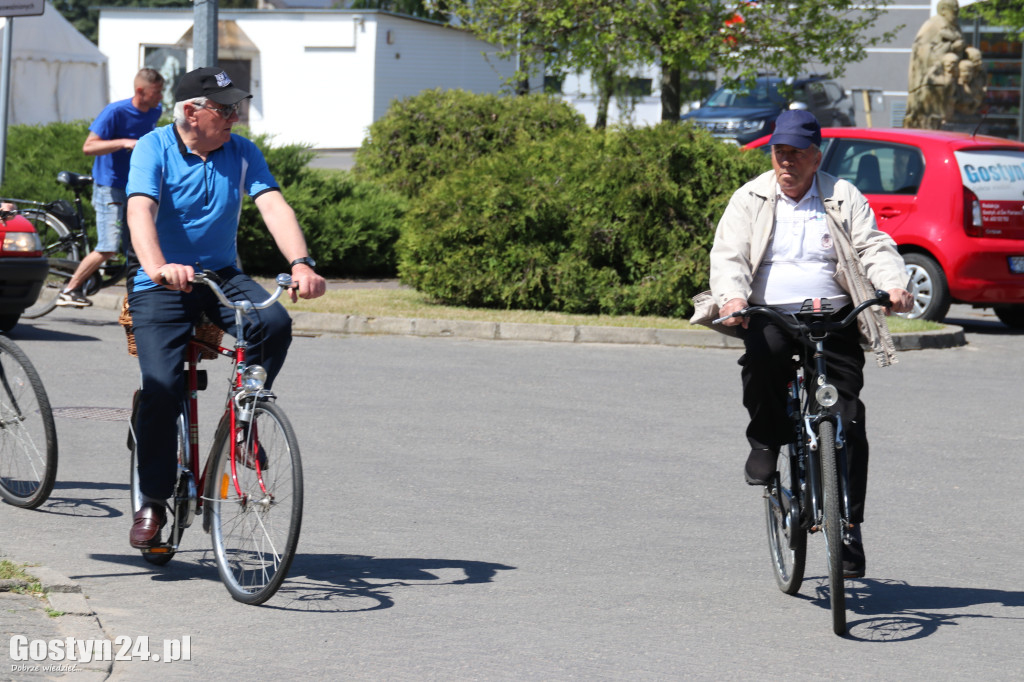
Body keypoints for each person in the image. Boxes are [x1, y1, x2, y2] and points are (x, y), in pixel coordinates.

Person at [125, 67, 326, 549]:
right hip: (160, 281)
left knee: (274, 323)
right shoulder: (154, 147)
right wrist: (156, 266)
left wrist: (301, 263)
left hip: (219, 274)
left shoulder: (241, 153)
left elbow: (274, 205)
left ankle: (243, 419)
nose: (236, 116)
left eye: (238, 106)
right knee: (162, 388)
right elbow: (139, 210)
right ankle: (152, 500)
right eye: (226, 108)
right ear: (192, 113)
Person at [709, 110, 913, 578]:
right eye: (780, 154)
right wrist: (735, 296)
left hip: (834, 314)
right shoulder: (752, 197)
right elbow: (729, 254)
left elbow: (874, 246)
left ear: (815, 157)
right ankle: (765, 441)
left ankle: (849, 528)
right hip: (772, 312)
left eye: (797, 155)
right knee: (763, 358)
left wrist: (893, 283)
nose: (787, 164)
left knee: (849, 418)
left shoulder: (842, 196)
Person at [57, 68, 166, 307]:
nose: (161, 97)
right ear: (140, 91)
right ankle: (69, 290)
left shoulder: (155, 111)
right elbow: (89, 147)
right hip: (110, 185)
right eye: (157, 92)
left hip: (135, 187)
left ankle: (140, 299)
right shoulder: (115, 111)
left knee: (139, 244)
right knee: (108, 247)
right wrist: (123, 142)